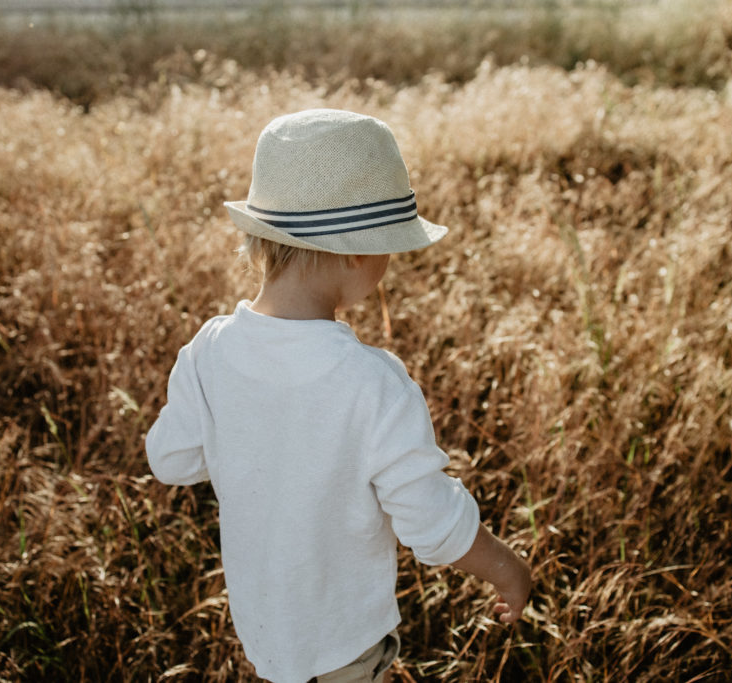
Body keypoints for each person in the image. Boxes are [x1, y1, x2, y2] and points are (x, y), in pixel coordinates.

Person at [146, 109, 531, 683]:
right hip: (344, 643)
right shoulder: (373, 383)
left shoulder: (209, 351)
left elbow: (171, 460)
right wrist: (506, 568)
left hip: (264, 629)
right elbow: (429, 521)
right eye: (390, 247)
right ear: (356, 252)